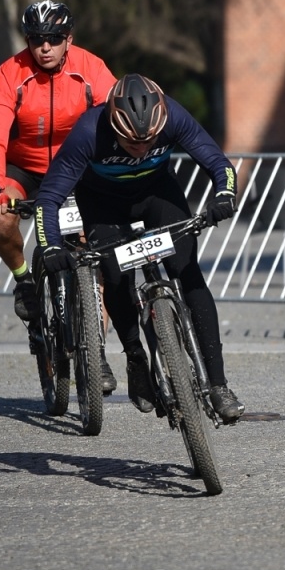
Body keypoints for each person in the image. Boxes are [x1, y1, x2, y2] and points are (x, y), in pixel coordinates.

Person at [34, 74, 244, 423]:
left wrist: (224, 194)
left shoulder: (173, 116)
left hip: (158, 194)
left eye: (149, 142)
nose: (142, 149)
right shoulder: (88, 132)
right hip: (103, 203)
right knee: (116, 280)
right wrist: (50, 245)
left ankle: (219, 385)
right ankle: (135, 357)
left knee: (188, 274)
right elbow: (48, 199)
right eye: (132, 143)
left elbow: (219, 164)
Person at [0, 0, 116, 323]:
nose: (45, 47)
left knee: (91, 246)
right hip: (24, 167)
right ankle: (23, 280)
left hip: (75, 166)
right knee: (1, 218)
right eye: (37, 39)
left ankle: (94, 341)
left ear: (69, 39)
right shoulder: (10, 74)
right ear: (28, 40)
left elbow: (116, 114)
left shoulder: (90, 68)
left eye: (54, 38)